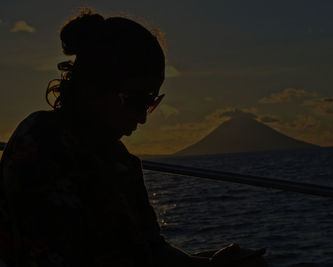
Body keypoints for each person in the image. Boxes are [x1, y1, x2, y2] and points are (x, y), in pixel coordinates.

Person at [0, 9, 267, 267]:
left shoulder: (118, 160)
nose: (143, 118)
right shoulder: (42, 144)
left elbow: (149, 249)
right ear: (94, 88)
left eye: (151, 102)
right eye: (137, 100)